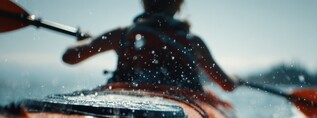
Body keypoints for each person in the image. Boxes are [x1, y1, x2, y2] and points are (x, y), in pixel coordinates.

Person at [62, 0, 239, 93]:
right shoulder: (193, 42)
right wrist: (236, 79)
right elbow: (227, 85)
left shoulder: (122, 35)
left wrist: (85, 41)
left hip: (126, 99)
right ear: (178, 3)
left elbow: (69, 57)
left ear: (144, 2)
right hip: (184, 104)